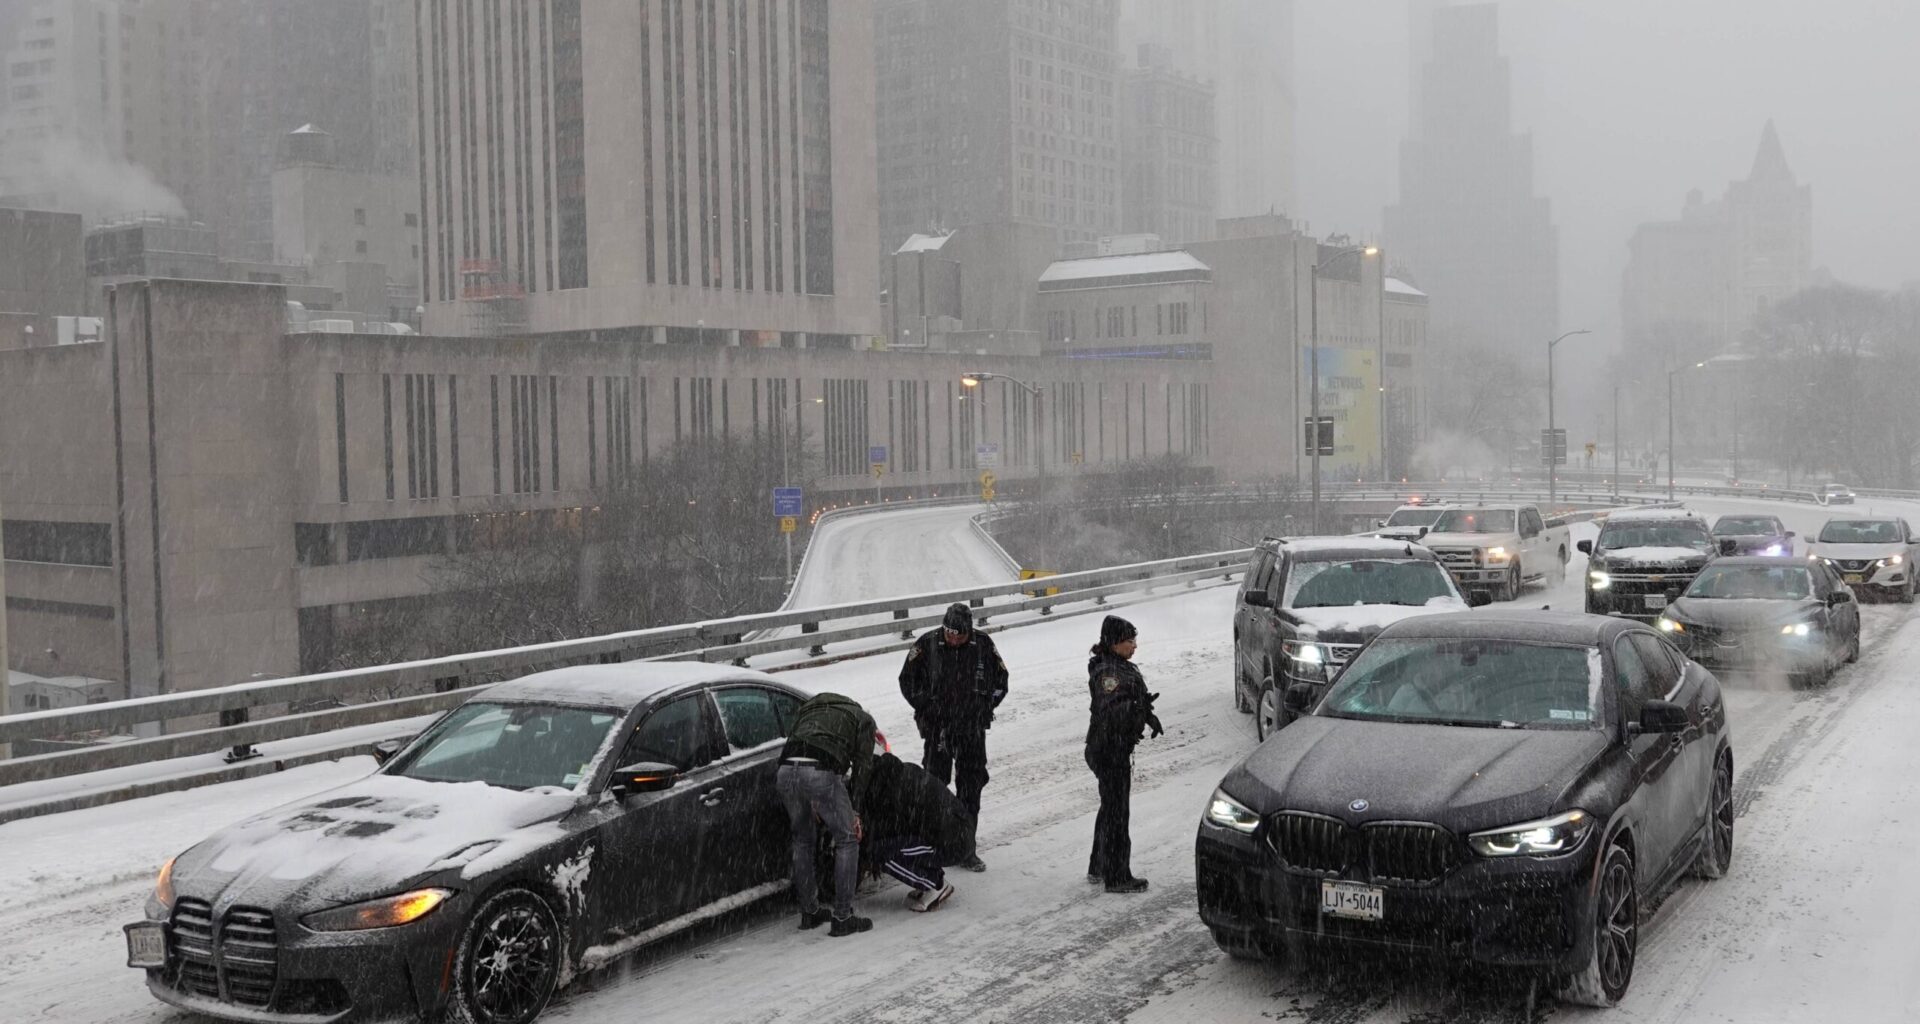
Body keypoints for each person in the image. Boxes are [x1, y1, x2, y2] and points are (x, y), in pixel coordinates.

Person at [898, 602, 1007, 871]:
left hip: (971, 728)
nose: (954, 638)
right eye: (949, 632)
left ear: (969, 631)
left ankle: (965, 848)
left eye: (959, 634)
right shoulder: (927, 644)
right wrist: (926, 705)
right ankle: (933, 844)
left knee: (971, 787)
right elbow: (906, 680)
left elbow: (1001, 680)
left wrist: (985, 707)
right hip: (938, 729)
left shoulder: (982, 644)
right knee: (934, 786)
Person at [777, 691, 878, 936]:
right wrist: (855, 809)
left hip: (785, 771)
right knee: (847, 840)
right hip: (820, 771)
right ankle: (842, 916)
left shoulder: (809, 709)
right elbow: (864, 766)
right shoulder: (862, 719)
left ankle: (810, 912)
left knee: (802, 840)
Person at [1084, 615, 1160, 893]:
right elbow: (1113, 708)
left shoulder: (1118, 666)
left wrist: (1146, 713)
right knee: (1117, 813)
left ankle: (1099, 866)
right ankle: (1117, 876)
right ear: (1115, 643)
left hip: (1110, 747)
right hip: (1109, 750)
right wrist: (1137, 709)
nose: (1135, 646)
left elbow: (1128, 702)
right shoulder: (1109, 673)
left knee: (1110, 808)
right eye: (1130, 641)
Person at [860, 751, 976, 912]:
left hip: (952, 841)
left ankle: (935, 885)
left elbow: (891, 831)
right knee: (897, 845)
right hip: (959, 830)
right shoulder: (902, 771)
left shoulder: (892, 794)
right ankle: (929, 878)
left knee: (881, 852)